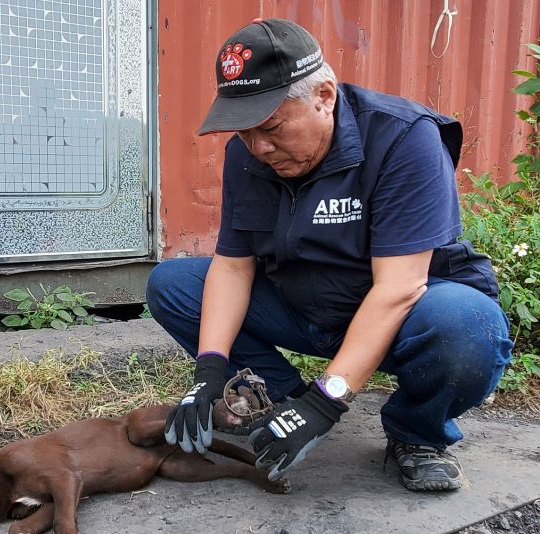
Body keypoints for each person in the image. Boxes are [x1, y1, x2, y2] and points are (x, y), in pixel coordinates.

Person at [146, 18, 513, 492]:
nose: (259, 147)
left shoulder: (404, 138)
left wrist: (330, 400)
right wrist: (209, 370)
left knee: (468, 325)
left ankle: (415, 435)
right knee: (172, 286)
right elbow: (234, 268)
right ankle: (283, 400)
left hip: (402, 312)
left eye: (271, 127)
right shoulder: (251, 154)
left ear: (324, 95)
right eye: (243, 133)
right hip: (303, 304)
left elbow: (400, 288)